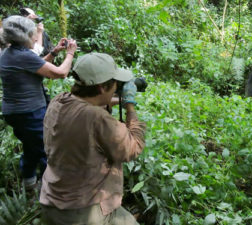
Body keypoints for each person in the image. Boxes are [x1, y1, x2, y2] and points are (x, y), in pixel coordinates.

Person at [40, 53, 146, 225]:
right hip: (83, 211)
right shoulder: (98, 119)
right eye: (114, 84)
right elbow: (133, 147)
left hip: (52, 202)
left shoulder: (58, 101)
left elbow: (86, 107)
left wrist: (112, 100)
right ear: (101, 88)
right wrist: (129, 105)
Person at [0, 15, 77, 189]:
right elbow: (60, 73)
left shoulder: (10, 53)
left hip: (15, 112)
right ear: (24, 37)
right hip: (29, 112)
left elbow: (37, 66)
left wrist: (54, 52)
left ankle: (28, 182)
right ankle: (49, 190)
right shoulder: (22, 55)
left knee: (30, 145)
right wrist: (70, 53)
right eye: (33, 34)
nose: (36, 37)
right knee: (47, 148)